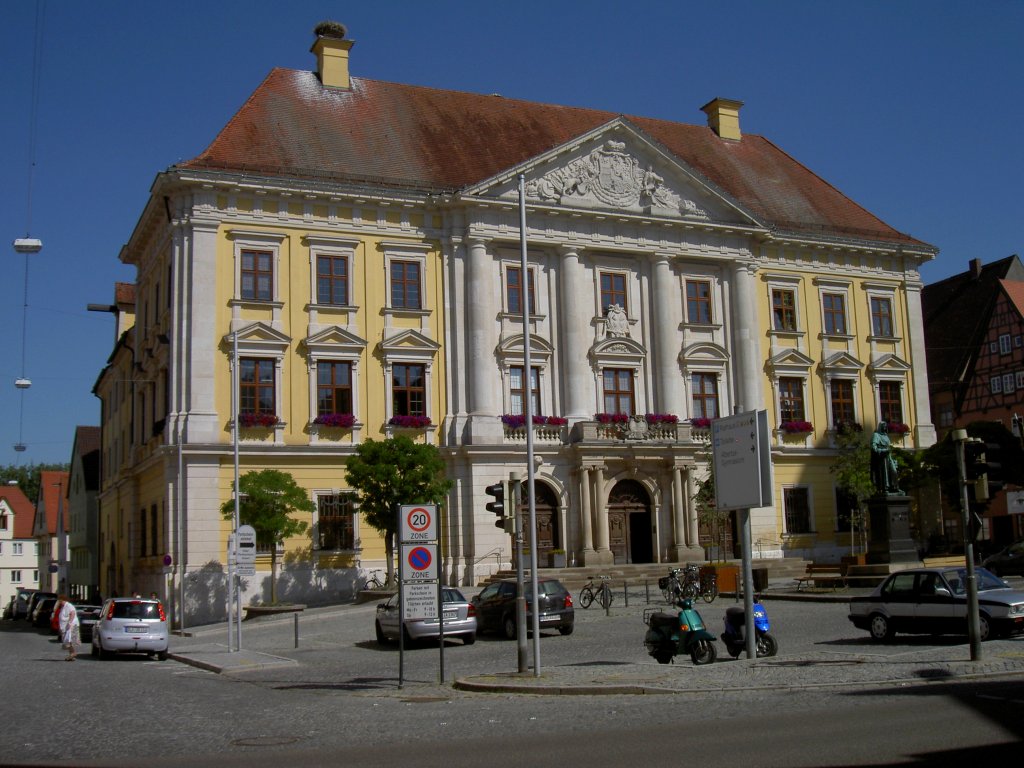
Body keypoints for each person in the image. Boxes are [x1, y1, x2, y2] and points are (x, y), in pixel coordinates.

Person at [870, 421, 902, 495]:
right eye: (884, 426)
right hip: (881, 458)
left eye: (886, 426)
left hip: (888, 457)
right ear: (880, 427)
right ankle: (885, 488)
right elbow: (873, 448)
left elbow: (889, 448)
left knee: (894, 471)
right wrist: (882, 451)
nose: (885, 428)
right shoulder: (876, 435)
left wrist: (892, 459)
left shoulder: (886, 436)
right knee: (884, 473)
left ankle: (894, 487)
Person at [58, 595, 79, 662]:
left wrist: (70, 622)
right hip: (66, 626)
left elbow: (72, 613)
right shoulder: (63, 607)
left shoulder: (68, 605)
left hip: (70, 626)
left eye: (60, 600)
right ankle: (71, 655)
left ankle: (73, 653)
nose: (59, 602)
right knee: (67, 641)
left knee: (68, 640)